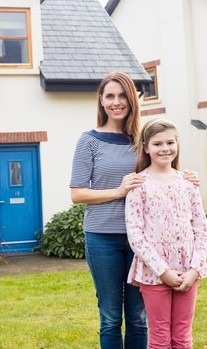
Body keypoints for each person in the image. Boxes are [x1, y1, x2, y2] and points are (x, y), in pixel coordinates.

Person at [70, 71, 199, 349]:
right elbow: (77, 194)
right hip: (103, 236)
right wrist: (118, 191)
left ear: (132, 99)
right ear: (101, 101)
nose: (116, 102)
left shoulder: (142, 138)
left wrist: (187, 178)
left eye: (122, 96)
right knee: (110, 316)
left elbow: (164, 167)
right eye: (110, 96)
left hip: (144, 242)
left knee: (139, 317)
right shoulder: (89, 140)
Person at [125, 118, 207, 349]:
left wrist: (195, 269)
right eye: (157, 143)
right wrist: (163, 271)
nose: (164, 148)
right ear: (146, 147)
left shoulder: (189, 183)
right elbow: (135, 234)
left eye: (170, 142)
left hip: (188, 270)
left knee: (183, 337)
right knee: (160, 338)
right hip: (155, 273)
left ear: (177, 144)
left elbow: (201, 230)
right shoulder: (139, 185)